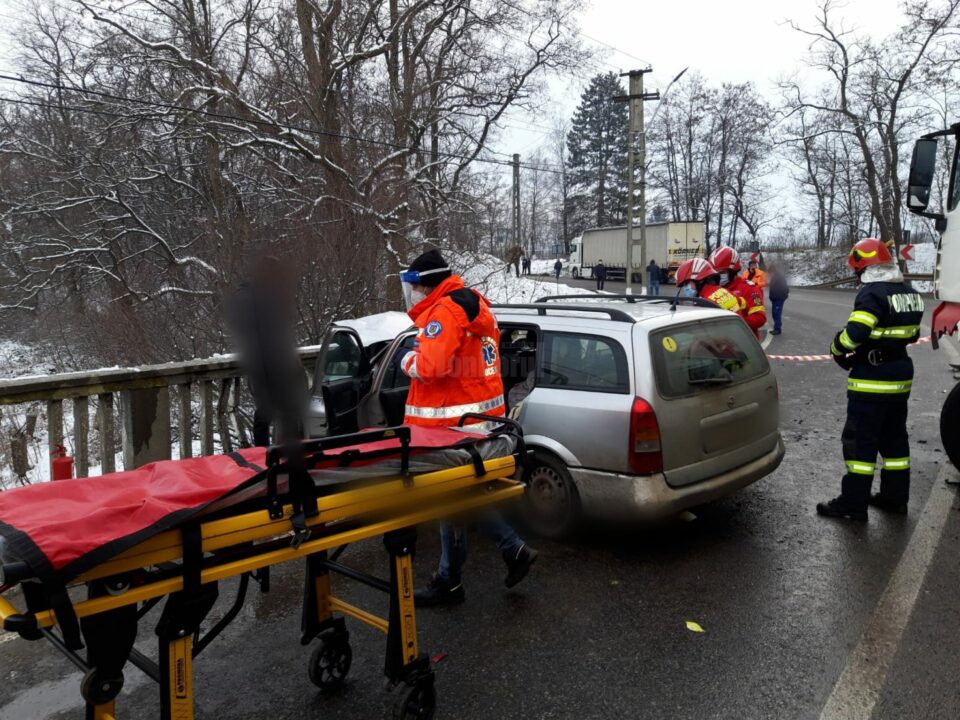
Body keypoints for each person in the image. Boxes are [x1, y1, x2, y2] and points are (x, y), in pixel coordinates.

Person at [398, 248, 538, 605]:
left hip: (449, 432)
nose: (412, 294)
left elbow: (431, 367)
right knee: (457, 501)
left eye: (414, 287)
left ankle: (505, 552)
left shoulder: (444, 312)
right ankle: (453, 578)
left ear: (425, 285)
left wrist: (408, 358)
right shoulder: (476, 304)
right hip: (479, 428)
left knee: (453, 499)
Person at [817, 238, 924, 522]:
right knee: (895, 441)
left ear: (863, 266)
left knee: (860, 443)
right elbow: (912, 334)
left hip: (872, 379)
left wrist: (837, 347)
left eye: (856, 271)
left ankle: (853, 504)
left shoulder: (872, 294)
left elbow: (855, 334)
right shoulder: (909, 292)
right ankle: (894, 498)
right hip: (900, 377)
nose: (856, 277)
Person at [229, 254, 306, 447]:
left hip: (274, 364)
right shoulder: (250, 296)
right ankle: (268, 456)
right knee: (269, 412)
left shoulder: (261, 295)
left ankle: (276, 455)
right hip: (266, 365)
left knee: (280, 411)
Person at [709, 246, 766, 340]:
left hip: (743, 343)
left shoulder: (749, 289)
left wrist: (733, 325)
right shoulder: (715, 289)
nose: (718, 276)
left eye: (722, 272)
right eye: (715, 272)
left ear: (733, 271)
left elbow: (759, 318)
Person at [674, 258, 740, 313]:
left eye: (686, 283)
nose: (685, 288)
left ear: (700, 280)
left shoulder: (703, 303)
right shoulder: (723, 290)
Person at [767, 264, 789, 335]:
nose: (769, 274)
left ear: (772, 271)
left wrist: (783, 297)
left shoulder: (779, 278)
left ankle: (777, 329)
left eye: (770, 273)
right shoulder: (774, 277)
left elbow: (786, 288)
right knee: (774, 313)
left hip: (779, 299)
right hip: (774, 299)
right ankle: (776, 328)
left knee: (777, 314)